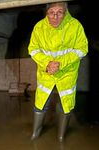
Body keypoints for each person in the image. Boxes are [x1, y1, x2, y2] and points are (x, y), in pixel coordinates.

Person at [28, 1, 88, 142]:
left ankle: (61, 136)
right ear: (47, 13)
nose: (55, 17)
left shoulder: (75, 26)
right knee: (41, 103)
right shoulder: (39, 27)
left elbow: (82, 49)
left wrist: (60, 63)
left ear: (66, 12)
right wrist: (47, 63)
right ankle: (35, 133)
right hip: (46, 73)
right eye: (51, 13)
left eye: (59, 12)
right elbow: (33, 49)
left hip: (66, 73)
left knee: (64, 103)